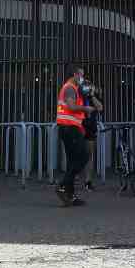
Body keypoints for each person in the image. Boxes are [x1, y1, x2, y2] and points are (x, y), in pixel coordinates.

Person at [56, 65, 97, 207]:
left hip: (71, 128)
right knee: (84, 156)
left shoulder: (74, 89)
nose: (82, 78)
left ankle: (70, 195)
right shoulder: (69, 88)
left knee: (73, 161)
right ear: (74, 74)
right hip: (69, 129)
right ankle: (62, 185)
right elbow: (71, 107)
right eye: (81, 75)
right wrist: (86, 108)